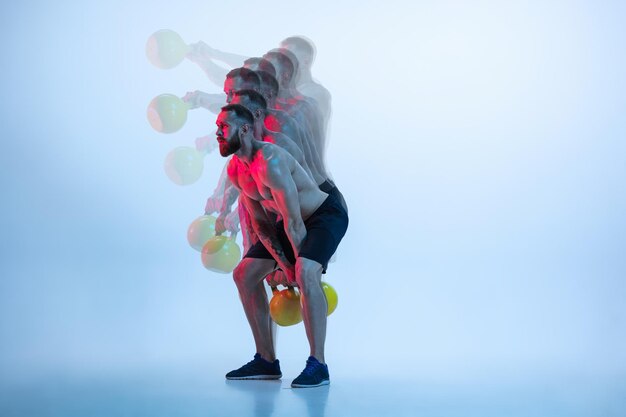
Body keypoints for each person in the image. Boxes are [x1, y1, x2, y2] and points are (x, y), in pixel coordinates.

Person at [215, 104, 348, 388]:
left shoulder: (271, 161)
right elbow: (262, 223)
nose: (218, 133)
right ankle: (266, 360)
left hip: (323, 215)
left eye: (223, 127)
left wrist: (293, 271)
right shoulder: (236, 168)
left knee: (305, 271)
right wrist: (283, 263)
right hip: (292, 222)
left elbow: (294, 224)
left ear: (245, 129)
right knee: (243, 274)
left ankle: (318, 365)